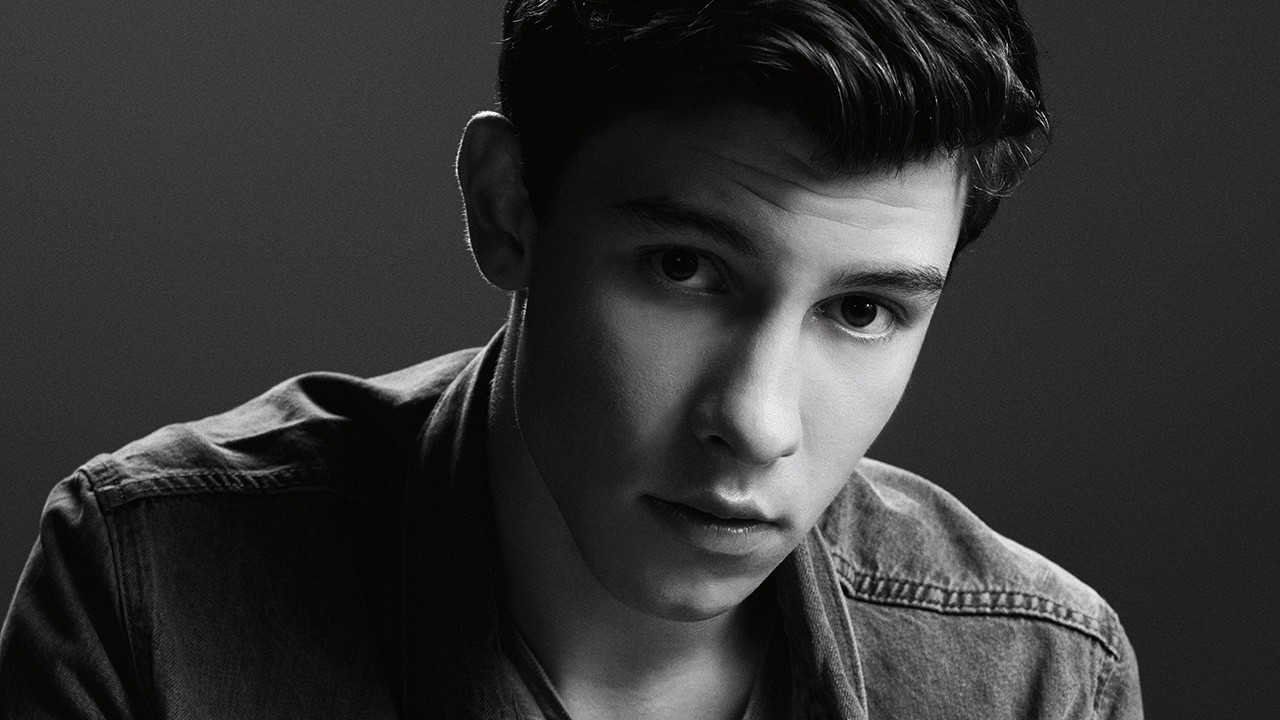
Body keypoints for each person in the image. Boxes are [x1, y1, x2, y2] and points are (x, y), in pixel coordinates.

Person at [0, 0, 1143, 717]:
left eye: (861, 311)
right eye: (682, 269)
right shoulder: (148, 588)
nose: (757, 423)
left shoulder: (1033, 677)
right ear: (507, 210)